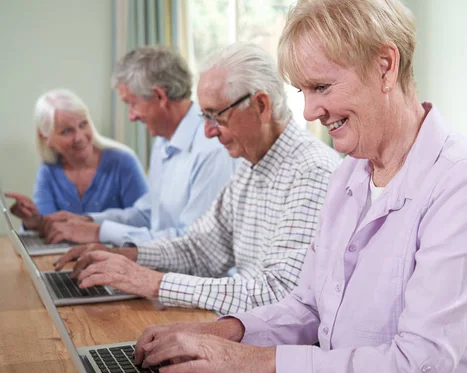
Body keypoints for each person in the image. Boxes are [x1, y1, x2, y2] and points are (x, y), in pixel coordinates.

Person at [130, 1, 467, 373]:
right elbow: (308, 306)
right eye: (303, 91)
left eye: (321, 87)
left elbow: (417, 368)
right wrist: (221, 332)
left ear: (385, 66)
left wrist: (257, 362)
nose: (309, 110)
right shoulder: (350, 175)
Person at [55, 43, 341, 316]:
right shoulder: (250, 165)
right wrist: (127, 257)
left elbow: (278, 293)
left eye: (216, 117)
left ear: (261, 106)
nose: (208, 132)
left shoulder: (312, 172)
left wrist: (153, 283)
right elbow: (201, 249)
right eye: (204, 117)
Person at [40, 46, 238, 246]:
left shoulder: (210, 149)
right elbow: (148, 214)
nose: (131, 117)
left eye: (132, 104)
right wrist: (88, 221)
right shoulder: (163, 141)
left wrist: (100, 232)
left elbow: (195, 243)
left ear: (160, 97)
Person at [6, 89, 147, 239]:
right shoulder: (48, 171)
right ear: (46, 137)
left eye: (83, 124)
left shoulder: (123, 162)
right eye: (67, 131)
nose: (79, 137)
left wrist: (87, 224)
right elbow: (48, 229)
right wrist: (33, 221)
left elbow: (146, 220)